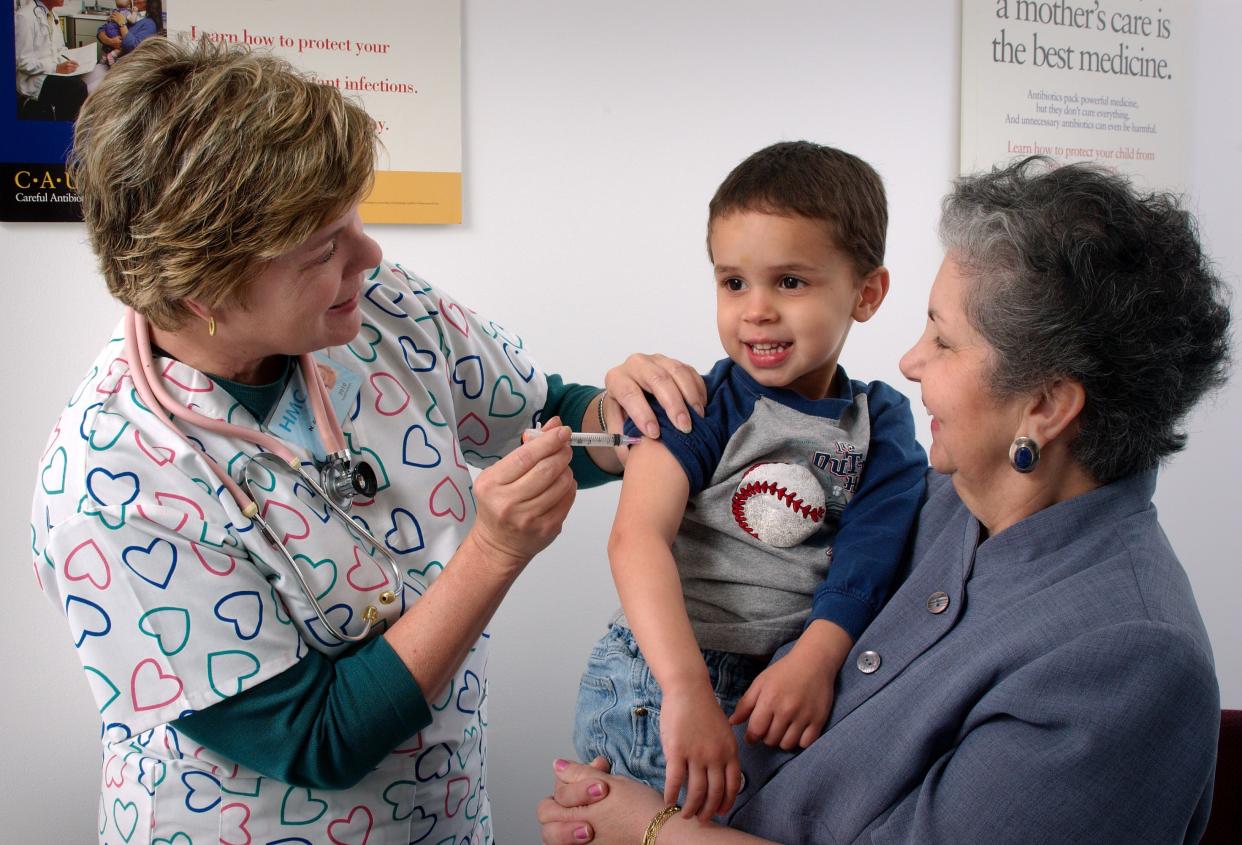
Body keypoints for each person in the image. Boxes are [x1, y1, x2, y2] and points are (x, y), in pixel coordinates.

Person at [29, 37, 704, 844]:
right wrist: (491, 552)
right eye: (326, 247)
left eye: (354, 218)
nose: (371, 254)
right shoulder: (110, 487)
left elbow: (539, 416)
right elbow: (317, 736)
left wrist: (636, 415)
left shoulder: (372, 305)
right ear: (204, 287)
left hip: (442, 815)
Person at [540, 156, 1231, 844]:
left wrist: (651, 829)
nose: (909, 360)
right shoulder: (947, 501)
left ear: (1045, 405)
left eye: (943, 338)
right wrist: (634, 399)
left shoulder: (1130, 665)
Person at [571, 141, 927, 820]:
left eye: (789, 281)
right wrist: (685, 687)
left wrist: (819, 657)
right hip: (662, 677)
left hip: (787, 680)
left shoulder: (880, 421)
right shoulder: (700, 403)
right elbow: (637, 537)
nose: (755, 309)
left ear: (867, 292)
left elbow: (871, 553)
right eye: (733, 282)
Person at [14, 0, 87, 120]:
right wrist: (56, 67)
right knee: (76, 88)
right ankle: (65, 132)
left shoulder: (52, 16)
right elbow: (23, 62)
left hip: (53, 72)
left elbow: (59, 49)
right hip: (34, 80)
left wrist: (74, 59)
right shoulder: (24, 17)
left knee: (83, 79)